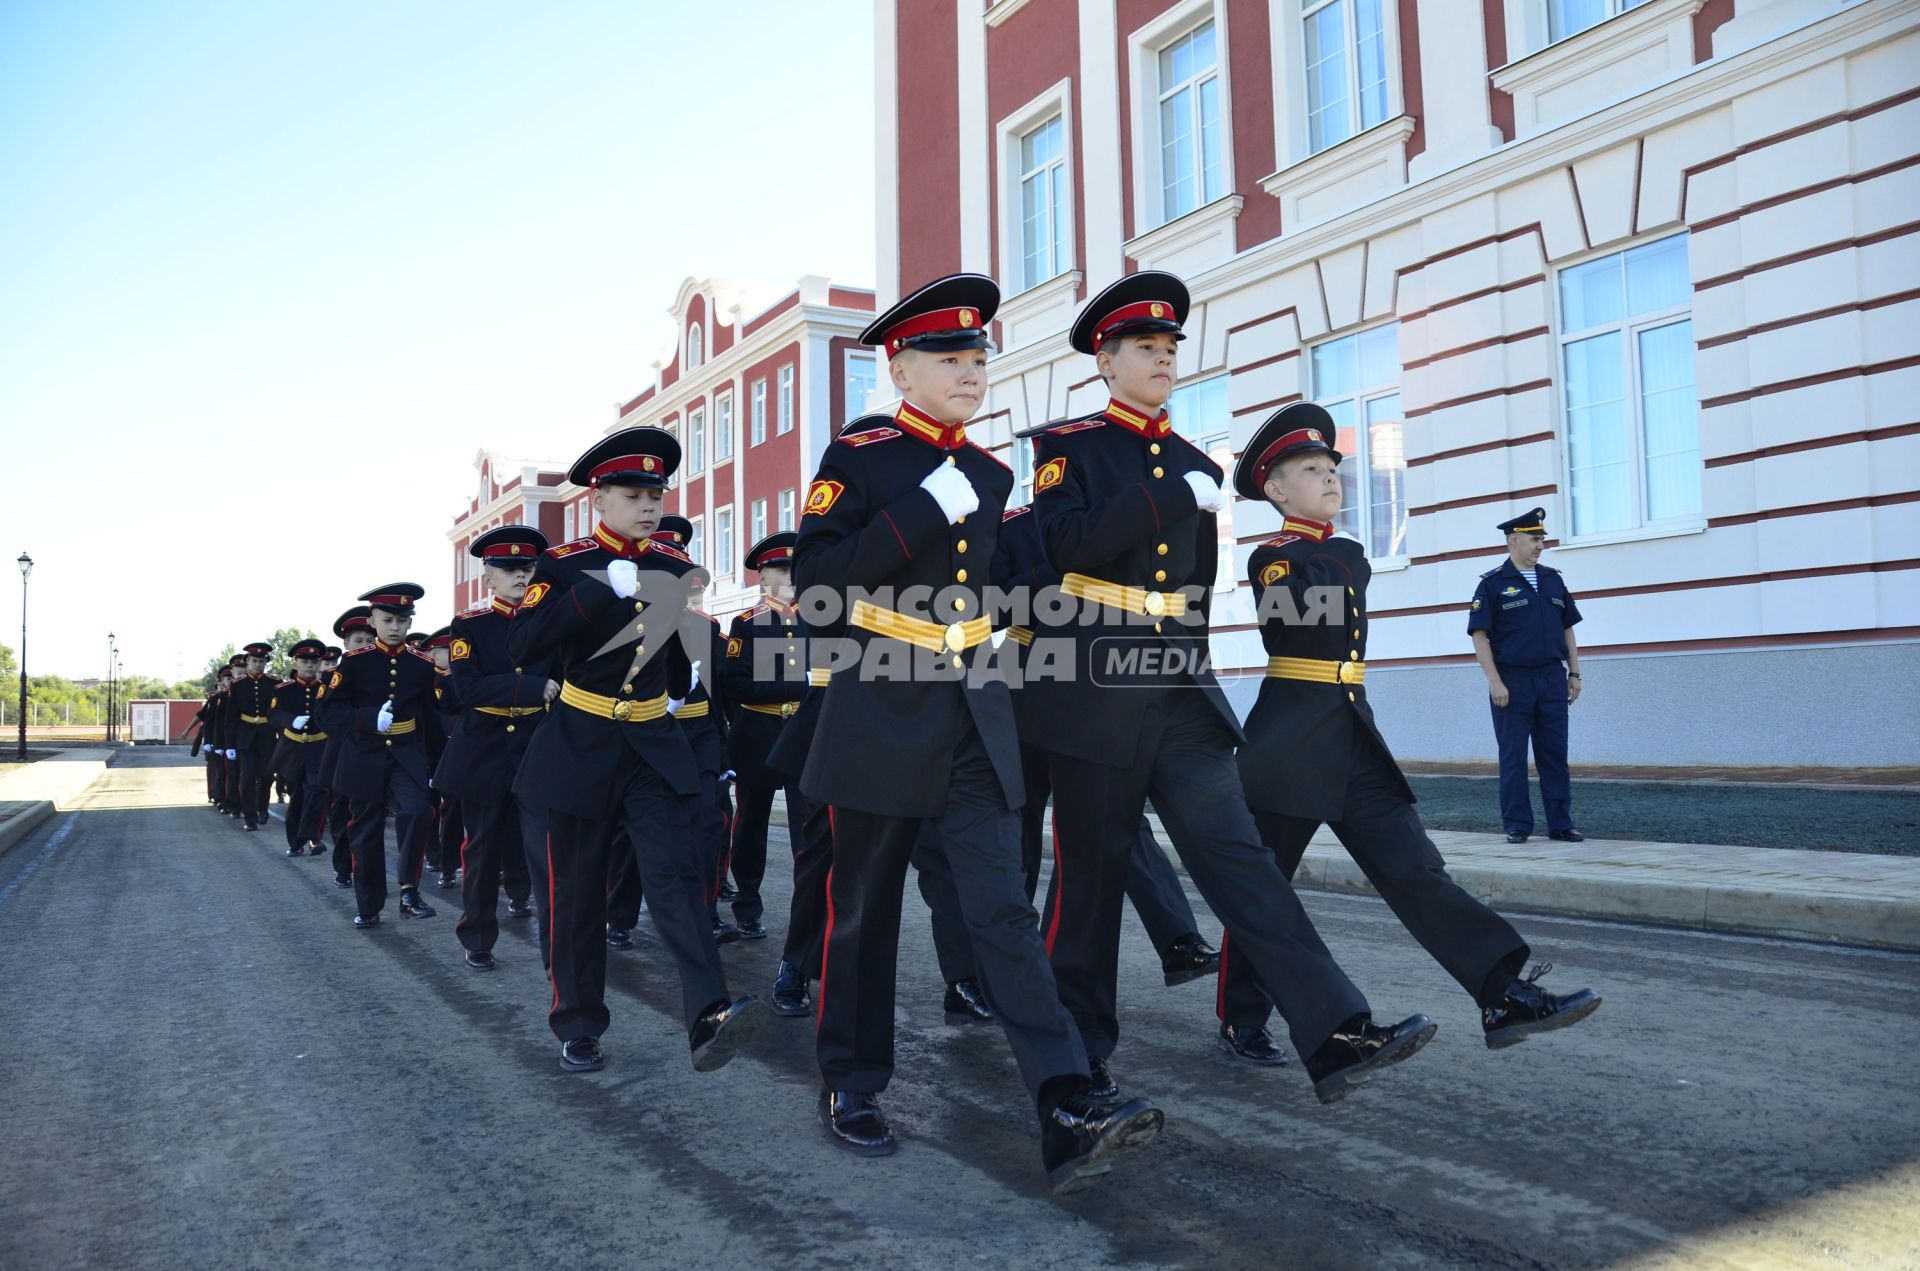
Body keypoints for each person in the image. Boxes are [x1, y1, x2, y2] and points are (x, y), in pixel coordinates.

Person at [1021, 270, 1435, 1107]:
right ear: (1105, 360)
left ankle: (1333, 1028)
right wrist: (1165, 494)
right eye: (1147, 347)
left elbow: (1196, 589)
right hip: (1096, 687)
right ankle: (1079, 1054)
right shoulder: (1073, 448)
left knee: (1243, 863)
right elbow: (1058, 547)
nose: (1165, 359)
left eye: (1172, 347)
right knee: (1091, 881)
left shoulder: (1191, 460)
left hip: (1180, 690)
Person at [795, 273, 1158, 1192]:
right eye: (949, 358)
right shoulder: (862, 458)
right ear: (900, 365)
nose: (970, 370)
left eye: (978, 357)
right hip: (881, 698)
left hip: (973, 704)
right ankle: (852, 1080)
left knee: (999, 908)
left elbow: (1006, 591)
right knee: (865, 912)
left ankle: (1066, 1099)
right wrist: (923, 509)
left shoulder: (994, 474)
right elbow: (817, 584)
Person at [1219, 405, 1601, 1057]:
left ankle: (1501, 992)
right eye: (1310, 470)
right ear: (1276, 491)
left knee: (1417, 869)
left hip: (1351, 736)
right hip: (1288, 744)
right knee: (1265, 888)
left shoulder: (1345, 553)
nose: (1330, 478)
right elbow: (1291, 619)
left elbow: (1343, 586)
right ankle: (1241, 1015)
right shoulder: (1272, 560)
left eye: (1333, 468)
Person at [509, 426, 764, 1075]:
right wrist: (599, 588)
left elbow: (677, 650)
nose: (648, 504)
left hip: (652, 744)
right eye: (632, 493)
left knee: (676, 877)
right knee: (576, 897)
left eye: (655, 492)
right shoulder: (565, 564)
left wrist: (683, 690)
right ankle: (579, 1023)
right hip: (579, 743)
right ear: (599, 499)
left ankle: (709, 1013)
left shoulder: (675, 568)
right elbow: (525, 645)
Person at [994, 498, 1222, 989]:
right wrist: (1049, 580)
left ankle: (1179, 940)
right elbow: (987, 604)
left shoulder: (1120, 518)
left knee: (1118, 815)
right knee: (1019, 826)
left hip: (1098, 680)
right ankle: (1011, 961)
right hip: (1026, 677)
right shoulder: (1011, 527)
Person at [440, 526, 555, 972]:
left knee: (545, 851)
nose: (520, 576)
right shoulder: (470, 625)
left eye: (527, 567)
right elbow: (467, 688)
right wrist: (531, 687)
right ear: (488, 577)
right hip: (485, 747)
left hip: (537, 746)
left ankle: (555, 947)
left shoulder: (549, 621)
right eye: (508, 569)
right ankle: (478, 937)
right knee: (483, 850)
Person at [319, 584, 440, 927]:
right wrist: (369, 718)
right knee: (366, 830)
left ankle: (408, 890)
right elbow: (329, 711)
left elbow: (429, 718)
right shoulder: (354, 662)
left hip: (407, 752)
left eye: (402, 620)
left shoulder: (421, 664)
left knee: (418, 811)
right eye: (387, 619)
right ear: (372, 620)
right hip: (364, 755)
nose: (395, 627)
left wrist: (437, 763)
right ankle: (368, 904)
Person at [1468, 508, 1586, 844]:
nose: (1540, 546)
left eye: (1542, 539)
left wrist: (1574, 672)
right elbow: (1480, 636)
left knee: (1554, 755)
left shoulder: (1553, 579)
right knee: (1513, 756)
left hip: (1551, 677)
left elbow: (1568, 630)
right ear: (1514, 540)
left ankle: (1561, 823)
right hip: (1512, 681)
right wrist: (1494, 681)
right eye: (1534, 539)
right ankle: (1518, 825)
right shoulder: (1492, 585)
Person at [720, 532, 809, 942]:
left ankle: (808, 914)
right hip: (758, 734)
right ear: (762, 578)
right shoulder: (747, 624)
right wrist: (795, 686)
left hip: (801, 736)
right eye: (779, 569)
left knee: (807, 832)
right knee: (751, 827)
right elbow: (735, 685)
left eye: (792, 568)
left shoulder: (817, 618)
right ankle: (748, 907)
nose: (789, 576)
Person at [319, 608, 376, 887]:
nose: (364, 644)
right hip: (344, 752)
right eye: (358, 640)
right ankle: (343, 866)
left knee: (370, 816)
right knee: (342, 812)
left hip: (376, 753)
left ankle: (368, 873)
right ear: (345, 644)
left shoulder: (382, 672)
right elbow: (325, 717)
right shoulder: (332, 677)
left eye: (368, 638)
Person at [269, 638, 330, 857]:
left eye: (314, 661)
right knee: (296, 796)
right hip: (292, 749)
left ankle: (312, 837)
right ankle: (295, 842)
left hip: (319, 747)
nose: (309, 665)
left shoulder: (326, 689)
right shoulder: (282, 690)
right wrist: (290, 720)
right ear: (296, 663)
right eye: (304, 661)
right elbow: (273, 715)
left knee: (317, 790)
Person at [224, 642, 279, 832]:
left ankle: (262, 808)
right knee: (246, 778)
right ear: (247, 661)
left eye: (261, 661)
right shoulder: (238, 685)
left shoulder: (274, 684)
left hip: (267, 735)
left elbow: (278, 713)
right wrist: (229, 744)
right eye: (254, 660)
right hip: (244, 736)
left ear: (266, 662)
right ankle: (250, 817)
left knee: (266, 777)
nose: (257, 664)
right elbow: (231, 716)